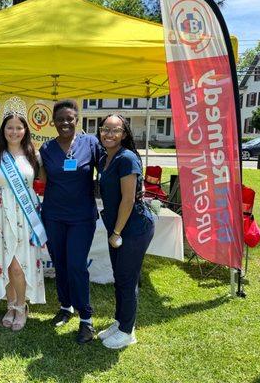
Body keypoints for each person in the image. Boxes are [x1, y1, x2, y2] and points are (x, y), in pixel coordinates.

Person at [39, 99, 102, 344]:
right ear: (53, 123)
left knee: (76, 265)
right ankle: (66, 307)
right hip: (53, 215)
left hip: (81, 217)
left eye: (70, 118)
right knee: (60, 264)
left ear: (77, 120)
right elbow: (42, 178)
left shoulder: (91, 143)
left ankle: (86, 318)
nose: (65, 123)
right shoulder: (46, 149)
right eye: (60, 119)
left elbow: (106, 168)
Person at [0, 113, 46, 331]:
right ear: (3, 130)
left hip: (25, 215)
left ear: (25, 130)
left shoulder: (33, 155)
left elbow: (45, 180)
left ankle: (21, 305)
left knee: (18, 265)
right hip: (1, 214)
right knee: (6, 263)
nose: (14, 132)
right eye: (10, 127)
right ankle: (10, 305)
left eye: (19, 128)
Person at [96, 113, 155, 349]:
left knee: (127, 280)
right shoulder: (104, 158)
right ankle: (120, 322)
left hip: (133, 227)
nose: (109, 134)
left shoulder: (127, 158)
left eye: (115, 130)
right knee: (119, 278)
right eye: (105, 129)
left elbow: (128, 200)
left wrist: (117, 232)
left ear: (124, 133)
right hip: (118, 226)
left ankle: (127, 331)